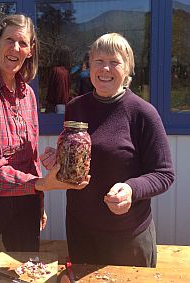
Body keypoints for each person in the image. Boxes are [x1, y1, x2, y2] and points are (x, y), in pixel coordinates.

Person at [0, 14, 88, 260]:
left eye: (23, 43)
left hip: (23, 198)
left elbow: (29, 157)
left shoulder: (28, 96)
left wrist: (38, 200)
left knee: (26, 268)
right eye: (9, 40)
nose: (15, 48)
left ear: (31, 50)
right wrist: (40, 184)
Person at [41, 33, 175, 267]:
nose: (105, 68)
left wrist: (131, 189)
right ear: (89, 66)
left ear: (128, 69)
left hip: (128, 237)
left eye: (114, 62)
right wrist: (59, 159)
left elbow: (164, 174)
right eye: (98, 61)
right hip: (80, 231)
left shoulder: (143, 113)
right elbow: (79, 156)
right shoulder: (75, 107)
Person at [45, 46, 71, 113]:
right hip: (63, 105)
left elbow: (52, 89)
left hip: (55, 105)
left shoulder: (56, 70)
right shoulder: (66, 72)